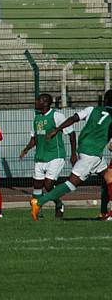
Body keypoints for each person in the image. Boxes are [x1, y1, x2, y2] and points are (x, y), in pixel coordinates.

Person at [31, 90, 112, 220]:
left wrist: (57, 130)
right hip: (92, 154)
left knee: (109, 178)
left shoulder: (91, 109)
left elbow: (73, 118)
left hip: (86, 149)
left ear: (105, 100)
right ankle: (39, 202)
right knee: (71, 184)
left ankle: (104, 213)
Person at [19, 94, 77, 219]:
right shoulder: (37, 118)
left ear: (45, 103)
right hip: (40, 156)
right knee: (37, 185)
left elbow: (72, 134)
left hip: (56, 155)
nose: (35, 102)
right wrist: (26, 149)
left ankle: (58, 204)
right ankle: (38, 211)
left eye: (38, 100)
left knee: (48, 184)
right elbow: (34, 138)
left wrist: (73, 154)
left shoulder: (57, 116)